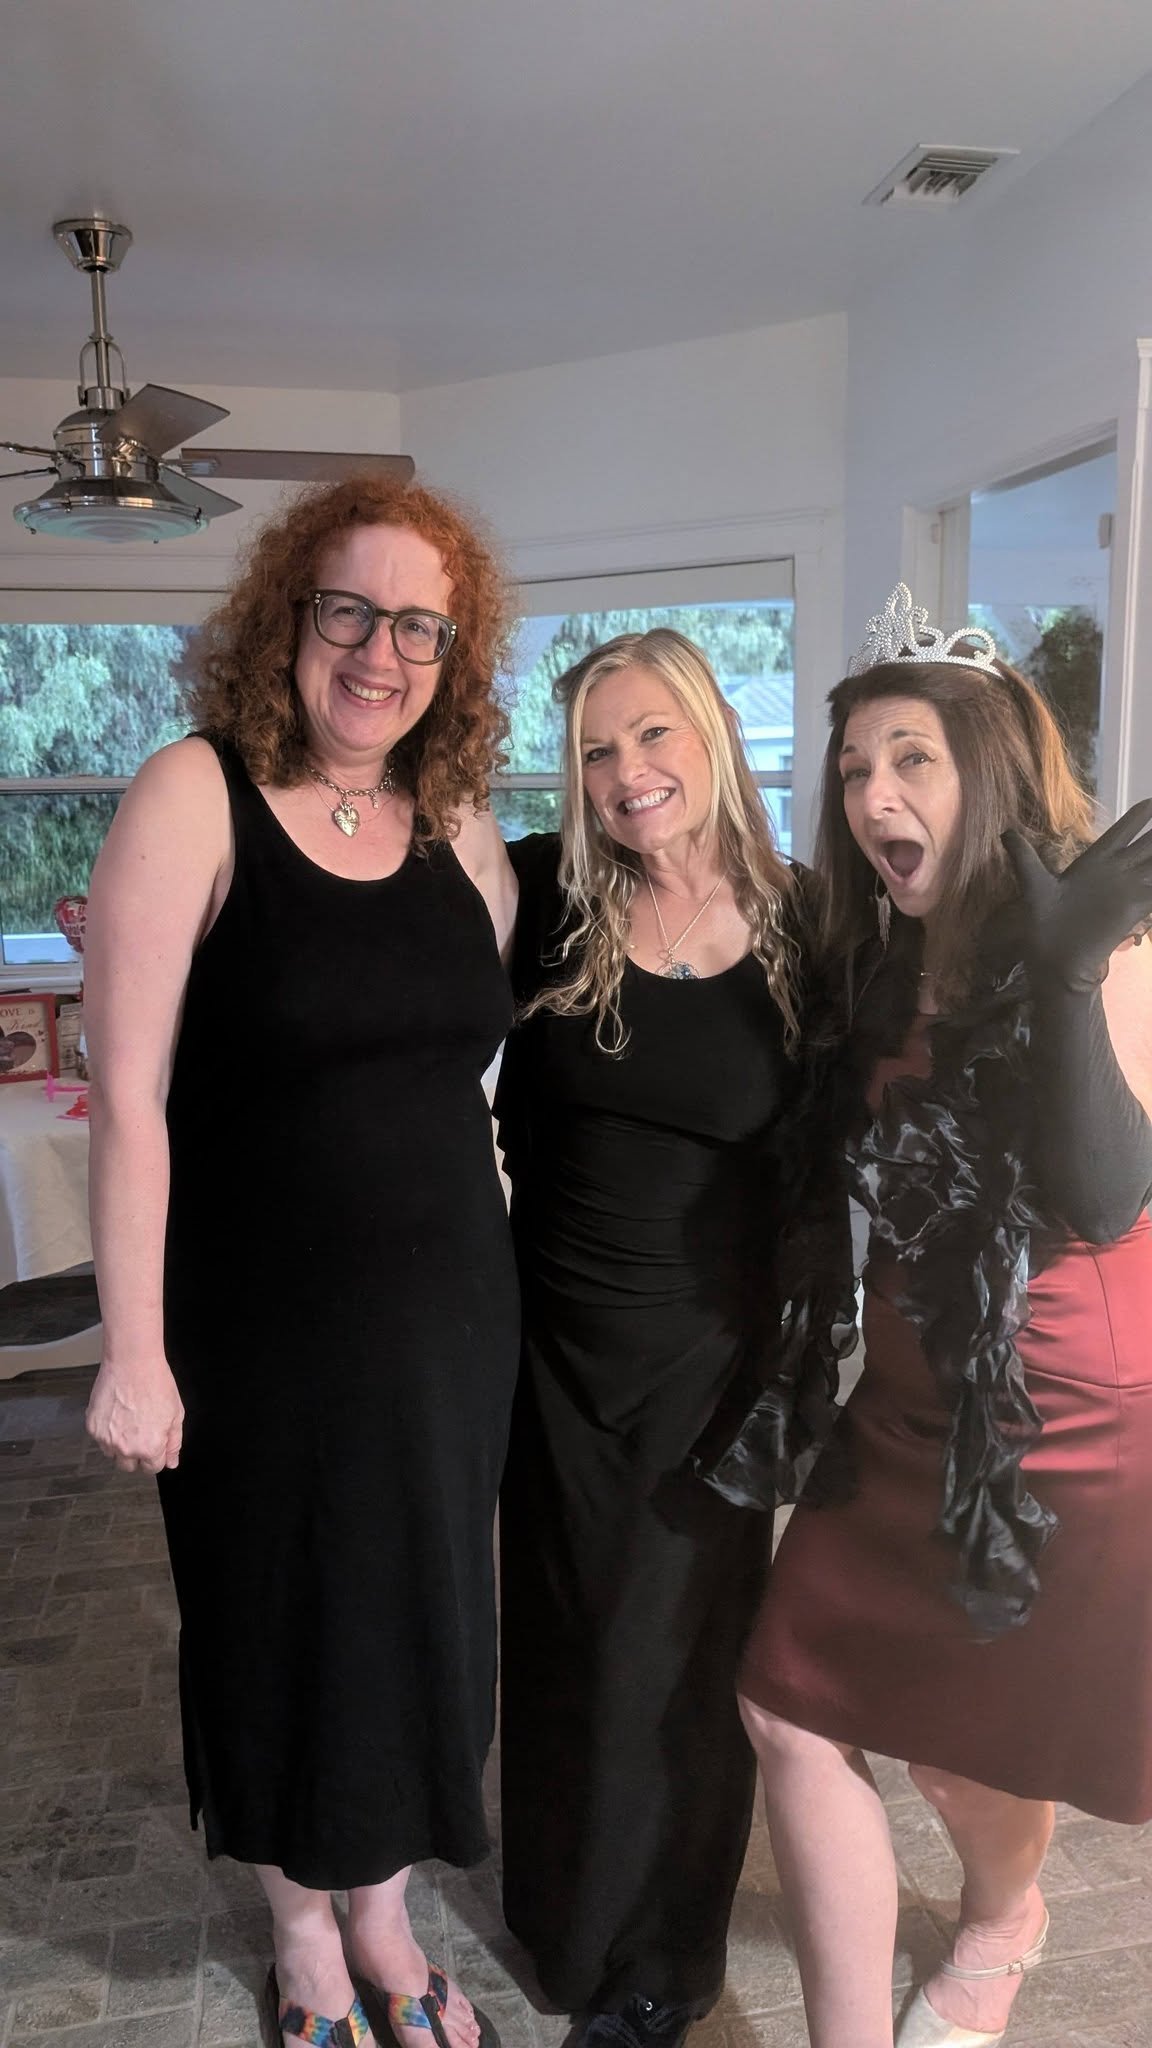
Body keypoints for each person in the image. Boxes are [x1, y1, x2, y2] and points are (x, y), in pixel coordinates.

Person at [83, 474, 520, 2048]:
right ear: (290, 616)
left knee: (418, 1623)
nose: (379, 652)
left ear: (452, 656)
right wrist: (133, 1348)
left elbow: (466, 1063)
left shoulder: (459, 820)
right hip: (259, 1329)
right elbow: (127, 1098)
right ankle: (301, 1933)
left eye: (419, 626)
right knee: (277, 1622)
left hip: (449, 1324)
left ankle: (384, 1913)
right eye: (349, 609)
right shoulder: (193, 794)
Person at [736, 586, 1152, 2048]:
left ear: (992, 771)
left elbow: (1104, 1197)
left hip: (1063, 1417)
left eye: (911, 760)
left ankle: (1001, 1919)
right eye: (856, 767)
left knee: (968, 1750)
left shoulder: (1113, 944)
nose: (872, 798)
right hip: (904, 1401)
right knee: (789, 1703)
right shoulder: (883, 961)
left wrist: (1069, 972)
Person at [495, 628, 841, 2048]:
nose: (626, 772)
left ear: (712, 736)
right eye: (595, 748)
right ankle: (565, 1921)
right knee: (565, 1639)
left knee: (683, 1663)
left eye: (652, 735)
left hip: (714, 1360)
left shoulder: (806, 924)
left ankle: (663, 1960)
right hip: (550, 1348)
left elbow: (829, 1157)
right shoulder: (541, 895)